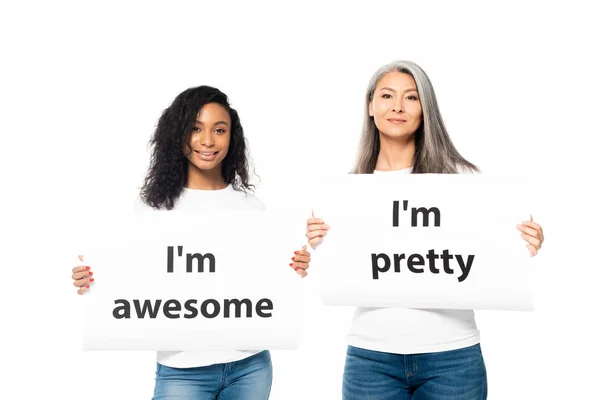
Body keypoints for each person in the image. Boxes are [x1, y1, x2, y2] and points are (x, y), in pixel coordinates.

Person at [305, 61, 544, 400]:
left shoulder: (462, 181)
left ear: (425, 109)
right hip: (370, 360)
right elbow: (345, 269)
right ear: (371, 106)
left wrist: (522, 245)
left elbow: (488, 252)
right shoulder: (347, 193)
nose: (398, 106)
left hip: (453, 360)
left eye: (412, 97)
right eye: (387, 96)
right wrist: (321, 245)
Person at [71, 85, 311, 400]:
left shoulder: (251, 208)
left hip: (251, 365)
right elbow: (136, 276)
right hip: (182, 370)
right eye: (196, 129)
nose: (208, 141)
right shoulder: (153, 208)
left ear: (231, 137)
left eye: (219, 130)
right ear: (179, 134)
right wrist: (96, 281)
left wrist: (293, 267)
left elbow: (260, 280)